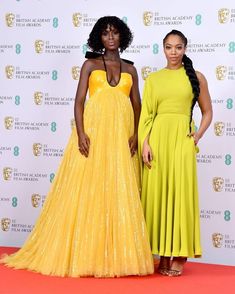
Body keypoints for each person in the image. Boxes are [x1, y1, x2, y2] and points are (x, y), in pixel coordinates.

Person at [1, 16, 154, 277]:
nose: (110, 38)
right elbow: (80, 101)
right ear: (99, 37)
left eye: (115, 33)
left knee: (118, 189)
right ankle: (87, 254)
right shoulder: (90, 65)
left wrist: (136, 135)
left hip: (121, 138)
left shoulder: (131, 70)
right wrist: (81, 133)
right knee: (89, 190)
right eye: (105, 34)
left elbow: (138, 105)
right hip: (94, 135)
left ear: (122, 37)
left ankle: (116, 257)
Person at [138, 30, 212, 277]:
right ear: (163, 49)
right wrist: (144, 144)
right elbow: (146, 115)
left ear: (185, 49)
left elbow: (208, 112)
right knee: (157, 197)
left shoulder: (196, 77)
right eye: (169, 47)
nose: (173, 52)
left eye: (178, 47)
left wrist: (198, 135)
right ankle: (161, 254)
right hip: (157, 141)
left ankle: (179, 255)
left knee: (180, 195)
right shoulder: (153, 79)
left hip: (182, 140)